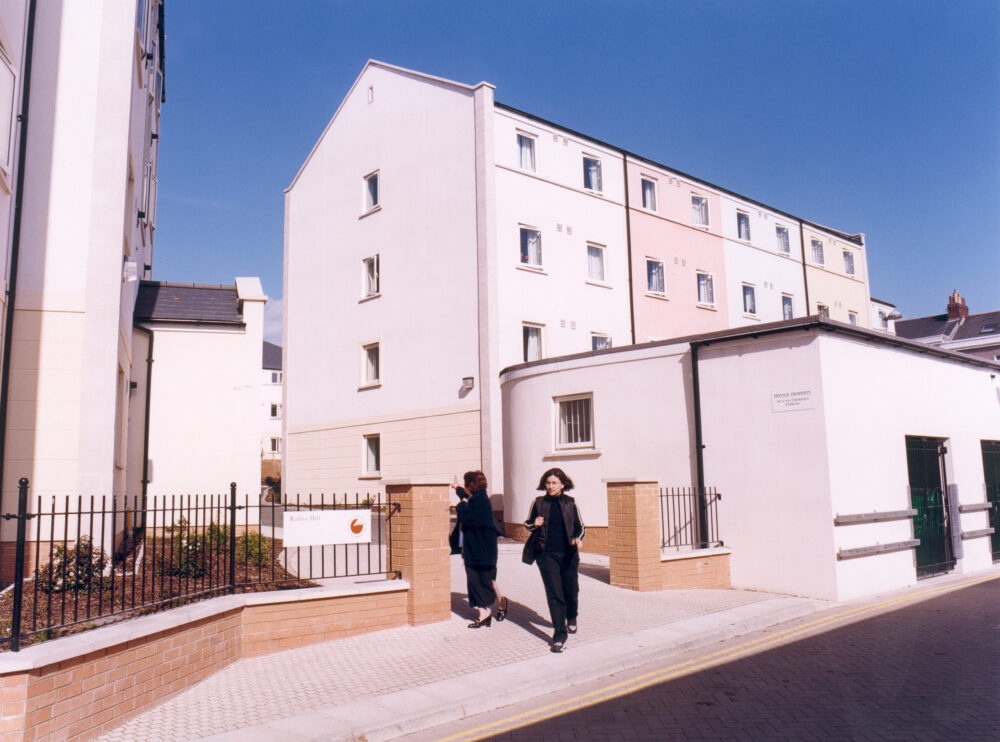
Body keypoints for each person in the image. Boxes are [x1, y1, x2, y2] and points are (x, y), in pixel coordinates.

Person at [523, 467, 585, 652]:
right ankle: (559, 635)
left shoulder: (570, 503)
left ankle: (571, 616)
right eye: (548, 483)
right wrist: (534, 524)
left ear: (562, 484)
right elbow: (527, 523)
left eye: (554, 483)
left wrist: (577, 539)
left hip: (568, 554)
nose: (550, 486)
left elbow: (580, 527)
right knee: (554, 593)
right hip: (546, 554)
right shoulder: (538, 502)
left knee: (571, 590)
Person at [453, 470, 507, 628]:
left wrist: (461, 504)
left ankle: (485, 613)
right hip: (480, 550)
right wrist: (457, 489)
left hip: (480, 551)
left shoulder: (479, 501)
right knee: (485, 579)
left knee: (477, 580)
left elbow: (465, 515)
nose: (464, 487)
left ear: (471, 485)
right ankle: (496, 606)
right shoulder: (479, 497)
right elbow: (467, 497)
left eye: (465, 484)